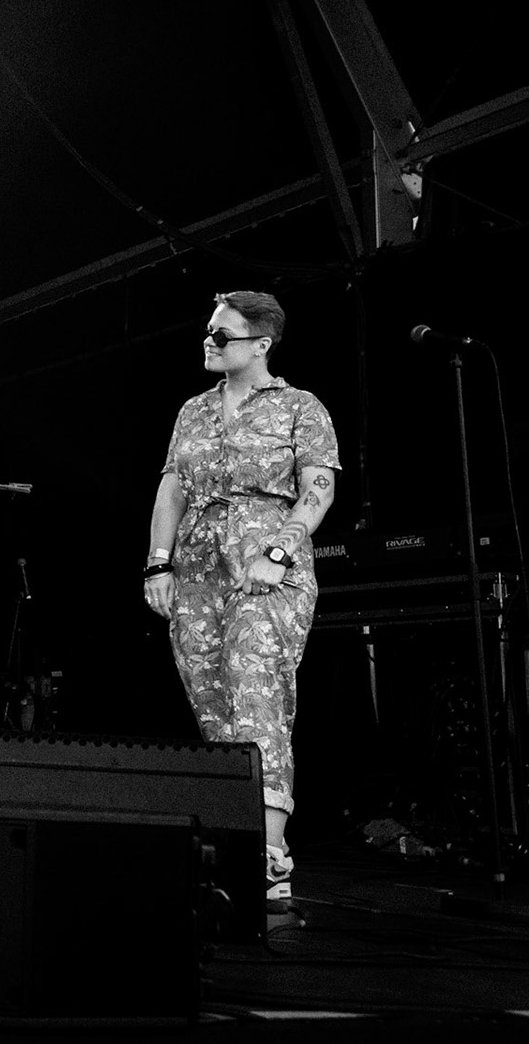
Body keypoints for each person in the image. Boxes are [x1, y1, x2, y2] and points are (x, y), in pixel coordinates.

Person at [143, 292, 339, 915]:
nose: (210, 341)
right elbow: (172, 485)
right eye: (208, 332)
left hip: (266, 557)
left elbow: (319, 488)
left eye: (223, 335)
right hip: (199, 563)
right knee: (212, 701)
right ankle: (234, 842)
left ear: (262, 343)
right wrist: (157, 562)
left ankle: (270, 854)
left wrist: (279, 552)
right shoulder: (193, 411)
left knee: (257, 689)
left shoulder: (299, 407)